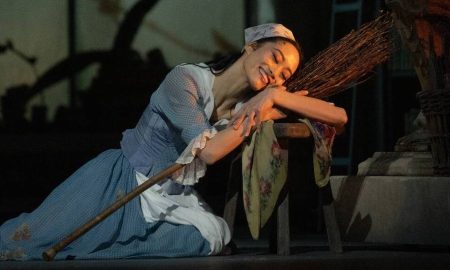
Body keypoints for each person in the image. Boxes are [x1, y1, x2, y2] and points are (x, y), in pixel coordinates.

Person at [0, 23, 347, 260]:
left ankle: (119, 241)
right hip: (119, 180)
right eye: (274, 59)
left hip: (171, 197)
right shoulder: (184, 80)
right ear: (251, 46)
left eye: (285, 75)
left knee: (215, 237)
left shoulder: (248, 106)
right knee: (28, 239)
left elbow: (339, 116)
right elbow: (209, 152)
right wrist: (268, 103)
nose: (277, 73)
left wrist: (277, 99)